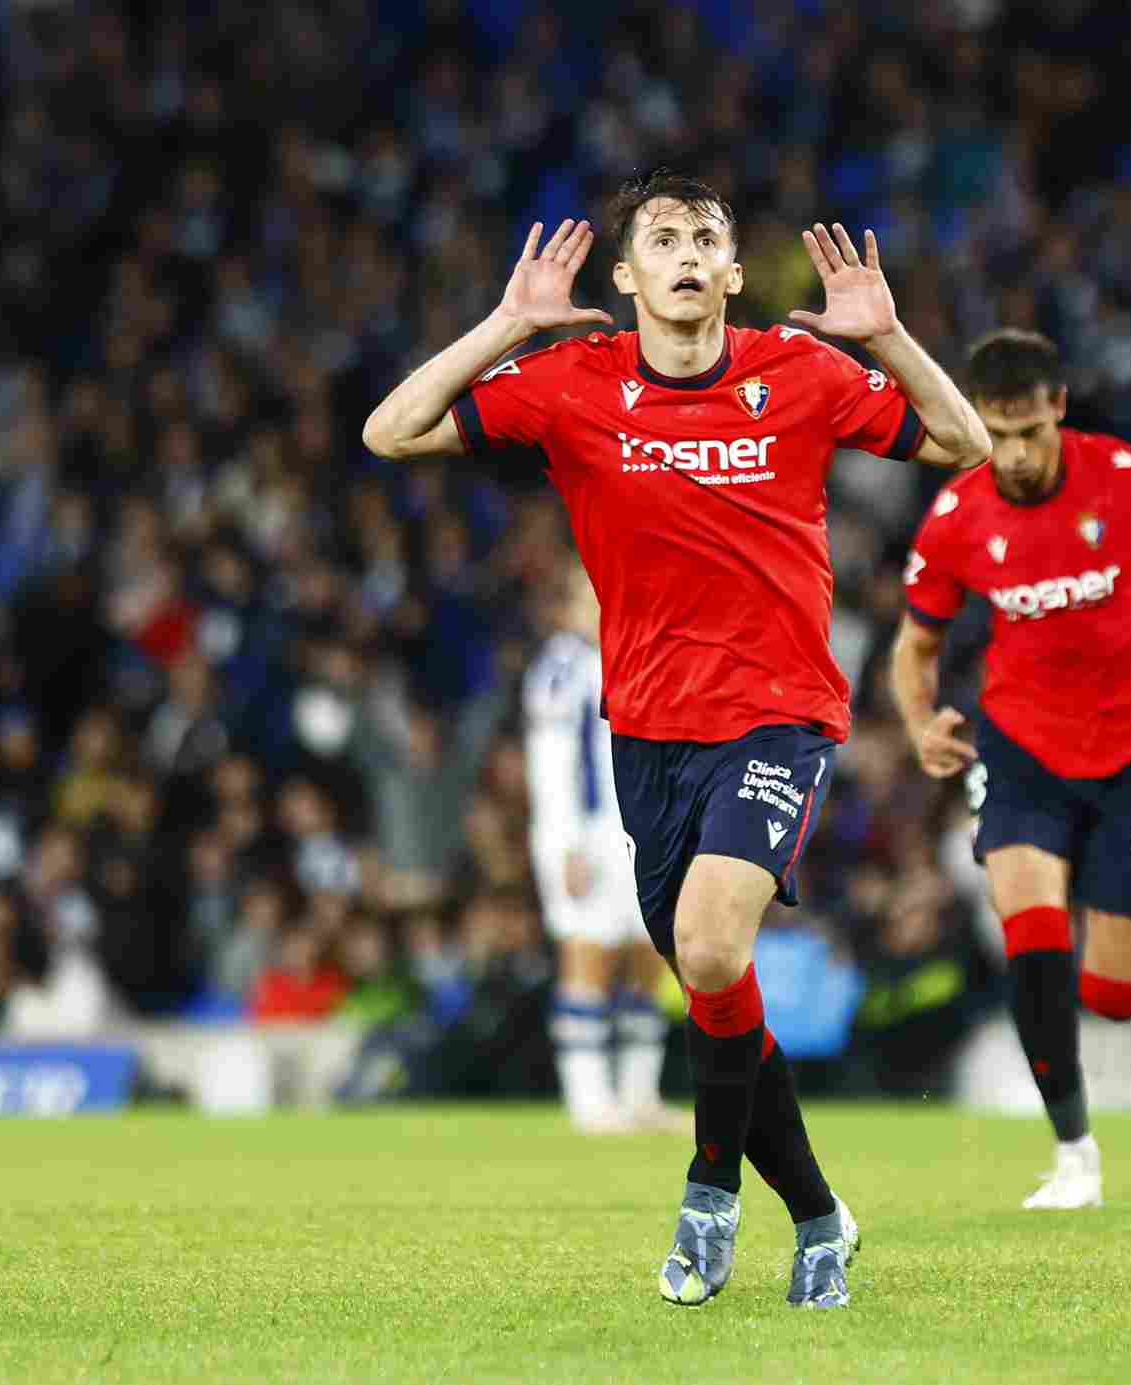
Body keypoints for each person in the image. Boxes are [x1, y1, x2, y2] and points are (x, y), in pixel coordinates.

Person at [362, 169, 990, 1308]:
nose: (689, 250)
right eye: (663, 236)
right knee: (714, 989)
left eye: (708, 235)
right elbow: (390, 429)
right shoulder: (573, 384)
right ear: (627, 275)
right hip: (645, 733)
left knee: (705, 946)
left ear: (734, 272)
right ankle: (819, 1215)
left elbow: (964, 442)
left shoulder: (797, 372)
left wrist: (889, 338)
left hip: (778, 711)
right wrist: (507, 323)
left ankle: (707, 1193)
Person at [889, 329, 1131, 1210]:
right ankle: (1074, 1153)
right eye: (995, 433)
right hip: (1023, 751)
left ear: (1057, 409)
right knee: (1033, 933)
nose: (1010, 454)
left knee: (1116, 997)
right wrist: (917, 718)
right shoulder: (958, 513)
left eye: (1026, 432)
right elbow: (916, 642)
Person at [524, 563, 683, 1133]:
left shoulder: (640, 656)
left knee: (648, 960)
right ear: (569, 605)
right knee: (586, 957)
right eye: (589, 597)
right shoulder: (562, 669)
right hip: (583, 837)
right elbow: (550, 770)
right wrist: (567, 844)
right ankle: (588, 1101)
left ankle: (638, 1094)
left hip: (638, 835)